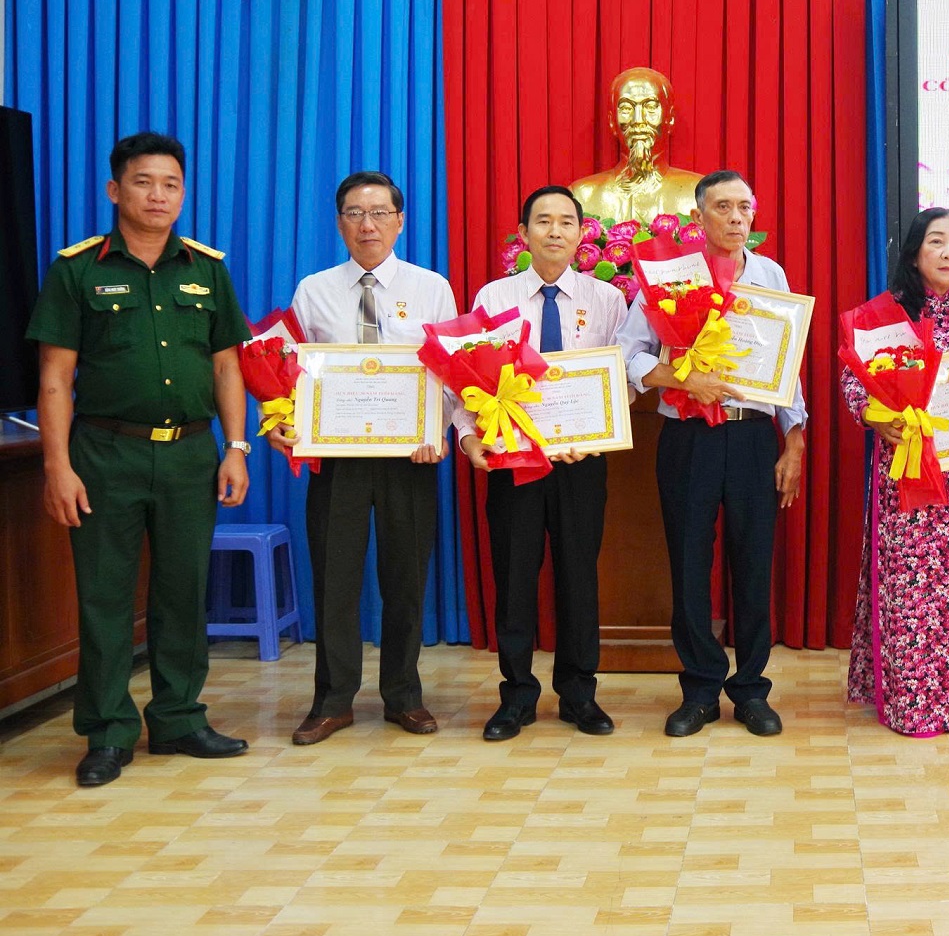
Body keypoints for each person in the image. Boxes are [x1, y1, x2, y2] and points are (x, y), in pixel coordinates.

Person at [27, 131, 253, 787]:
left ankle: (178, 718)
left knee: (183, 590)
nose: (158, 195)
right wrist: (57, 466)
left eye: (170, 184)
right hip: (105, 454)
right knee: (104, 595)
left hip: (189, 455)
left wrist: (236, 448)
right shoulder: (77, 269)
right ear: (114, 189)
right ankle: (107, 732)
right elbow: (54, 378)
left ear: (183, 194)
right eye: (144, 181)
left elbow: (227, 366)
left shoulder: (206, 268)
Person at [617, 169, 806, 737]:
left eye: (744, 206)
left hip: (753, 437)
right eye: (722, 207)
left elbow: (788, 364)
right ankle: (699, 689)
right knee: (689, 563)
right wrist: (681, 378)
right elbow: (627, 354)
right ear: (699, 217)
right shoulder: (670, 276)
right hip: (688, 437)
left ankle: (750, 689)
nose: (735, 217)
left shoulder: (771, 275)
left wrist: (794, 438)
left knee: (753, 564)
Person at [270, 171, 456, 746]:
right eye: (354, 213)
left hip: (410, 457)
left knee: (406, 578)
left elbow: (452, 372)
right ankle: (332, 701)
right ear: (339, 223)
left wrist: (436, 429)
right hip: (338, 458)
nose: (367, 224)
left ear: (400, 221)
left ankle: (404, 695)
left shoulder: (432, 288)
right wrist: (282, 422)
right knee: (335, 578)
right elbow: (290, 372)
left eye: (379, 213)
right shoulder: (314, 290)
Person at [457, 186, 628, 740]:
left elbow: (624, 380)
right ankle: (516, 697)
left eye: (566, 221)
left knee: (579, 576)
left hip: (582, 461)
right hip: (514, 460)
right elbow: (468, 378)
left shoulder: (607, 299)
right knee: (514, 576)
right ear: (523, 233)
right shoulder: (494, 296)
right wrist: (468, 437)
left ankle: (580, 694)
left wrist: (599, 429)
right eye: (543, 221)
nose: (555, 231)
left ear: (582, 233)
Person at [843, 207, 949, 736]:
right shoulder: (885, 314)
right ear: (914, 253)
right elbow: (854, 383)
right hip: (907, 469)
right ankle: (914, 703)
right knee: (911, 591)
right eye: (937, 241)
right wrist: (878, 418)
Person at [568, 67, 702, 224]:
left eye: (650, 107)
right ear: (612, 122)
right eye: (626, 108)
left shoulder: (699, 193)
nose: (638, 120)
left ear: (670, 118)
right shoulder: (582, 196)